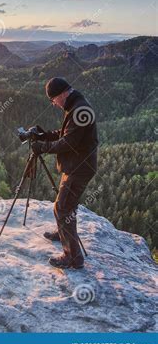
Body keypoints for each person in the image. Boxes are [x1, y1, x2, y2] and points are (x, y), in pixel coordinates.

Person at [31, 77, 98, 269]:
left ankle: (73, 257)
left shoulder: (79, 109)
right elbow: (66, 134)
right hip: (75, 166)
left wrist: (43, 147)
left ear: (61, 94)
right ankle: (63, 235)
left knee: (63, 208)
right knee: (64, 206)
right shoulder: (75, 106)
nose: (53, 104)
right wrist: (45, 135)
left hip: (79, 168)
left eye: (53, 100)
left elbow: (68, 142)